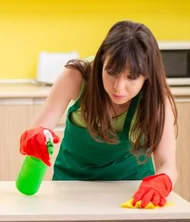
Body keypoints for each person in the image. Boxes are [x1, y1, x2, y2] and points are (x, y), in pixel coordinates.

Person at [19, 20, 178, 208]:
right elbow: (40, 128)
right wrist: (35, 137)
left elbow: (168, 163)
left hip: (131, 191)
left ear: (147, 75)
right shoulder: (76, 77)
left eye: (131, 77)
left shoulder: (157, 100)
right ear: (102, 60)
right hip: (70, 186)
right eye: (111, 72)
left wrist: (161, 183)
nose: (118, 87)